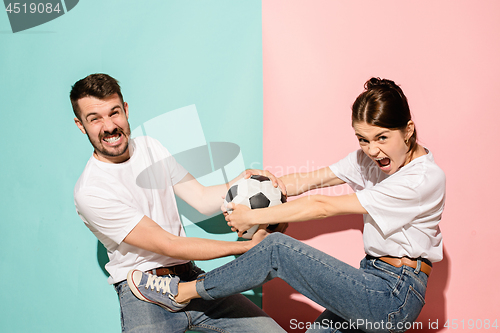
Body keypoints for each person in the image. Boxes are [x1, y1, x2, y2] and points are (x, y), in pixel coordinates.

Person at [128, 77, 446, 333]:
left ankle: (181, 292)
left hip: (392, 295)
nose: (373, 150)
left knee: (277, 248)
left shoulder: (421, 179)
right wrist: (269, 183)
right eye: (362, 139)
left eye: (382, 137)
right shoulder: (368, 159)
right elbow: (309, 181)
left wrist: (253, 214)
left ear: (408, 130)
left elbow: (322, 206)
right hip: (367, 280)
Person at [70, 73, 288, 333]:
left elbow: (201, 198)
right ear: (81, 125)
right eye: (95, 119)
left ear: (126, 110)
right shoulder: (91, 190)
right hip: (143, 293)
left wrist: (241, 183)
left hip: (188, 278)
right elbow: (169, 243)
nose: (108, 126)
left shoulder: (150, 147)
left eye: (114, 112)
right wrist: (247, 248)